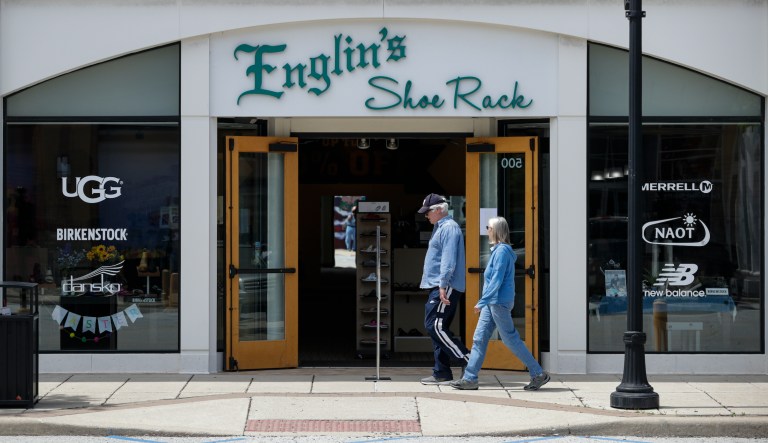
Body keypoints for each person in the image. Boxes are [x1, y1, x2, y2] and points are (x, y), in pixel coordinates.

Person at [450, 216, 549, 391]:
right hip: (492, 303)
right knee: (479, 339)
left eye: (488, 227)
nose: (486, 229)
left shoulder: (502, 252)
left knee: (510, 339)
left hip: (498, 302)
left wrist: (482, 302)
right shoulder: (498, 251)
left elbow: (496, 280)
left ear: (496, 230)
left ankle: (538, 373)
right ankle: (470, 378)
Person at [417, 193, 470, 384]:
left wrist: (442, 285)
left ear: (439, 209)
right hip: (438, 285)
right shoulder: (442, 227)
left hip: (444, 285)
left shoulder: (449, 228)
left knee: (435, 326)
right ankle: (441, 372)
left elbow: (448, 261)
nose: (426, 216)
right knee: (439, 328)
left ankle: (468, 360)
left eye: (428, 212)